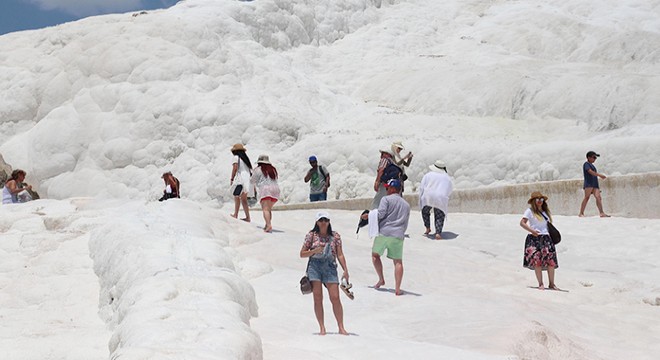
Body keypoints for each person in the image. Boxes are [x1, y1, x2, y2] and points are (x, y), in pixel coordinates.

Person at [299, 211, 349, 335]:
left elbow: (340, 254)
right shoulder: (311, 235)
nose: (323, 223)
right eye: (321, 220)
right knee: (318, 297)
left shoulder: (335, 236)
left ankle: (341, 326)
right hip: (315, 266)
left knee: (335, 297)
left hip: (330, 266)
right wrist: (315, 251)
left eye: (326, 220)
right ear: (317, 222)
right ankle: (322, 327)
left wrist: (345, 270)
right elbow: (302, 253)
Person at [364, 179, 410, 296]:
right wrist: (400, 233)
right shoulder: (406, 205)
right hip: (398, 235)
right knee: (398, 262)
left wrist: (368, 216)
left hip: (384, 233)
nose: (386, 189)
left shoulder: (386, 199)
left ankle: (381, 279)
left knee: (375, 255)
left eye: (388, 187)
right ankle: (398, 289)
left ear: (393, 188)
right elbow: (405, 223)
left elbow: (380, 214)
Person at [519, 191, 560, 290]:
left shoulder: (545, 212)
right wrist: (532, 230)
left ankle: (552, 284)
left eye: (541, 200)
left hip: (546, 237)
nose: (540, 201)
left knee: (551, 262)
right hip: (534, 238)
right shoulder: (529, 211)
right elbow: (522, 223)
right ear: (533, 201)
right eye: (537, 199)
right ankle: (540, 284)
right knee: (537, 262)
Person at [419, 160, 453, 240]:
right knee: (439, 215)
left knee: (425, 211)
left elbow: (422, 187)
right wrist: (445, 196)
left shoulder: (428, 175)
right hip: (440, 197)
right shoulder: (447, 177)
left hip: (428, 196)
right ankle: (438, 233)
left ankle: (427, 228)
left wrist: (421, 198)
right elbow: (449, 189)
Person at [250, 155, 280, 233]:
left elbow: (252, 181)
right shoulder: (273, 169)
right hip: (276, 189)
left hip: (265, 189)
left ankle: (268, 225)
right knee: (268, 209)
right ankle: (267, 224)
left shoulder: (258, 170)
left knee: (265, 209)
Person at [579, 151, 610, 217]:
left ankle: (601, 213)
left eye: (595, 157)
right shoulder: (586, 164)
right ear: (588, 157)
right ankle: (581, 213)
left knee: (598, 197)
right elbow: (590, 171)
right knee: (587, 197)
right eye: (594, 157)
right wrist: (600, 175)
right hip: (589, 183)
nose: (595, 159)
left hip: (595, 184)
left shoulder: (592, 165)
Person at [230, 143, 252, 222]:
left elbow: (235, 168)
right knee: (244, 199)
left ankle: (235, 214)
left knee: (236, 195)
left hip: (241, 180)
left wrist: (232, 178)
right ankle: (248, 217)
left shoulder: (236, 157)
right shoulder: (245, 158)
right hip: (247, 180)